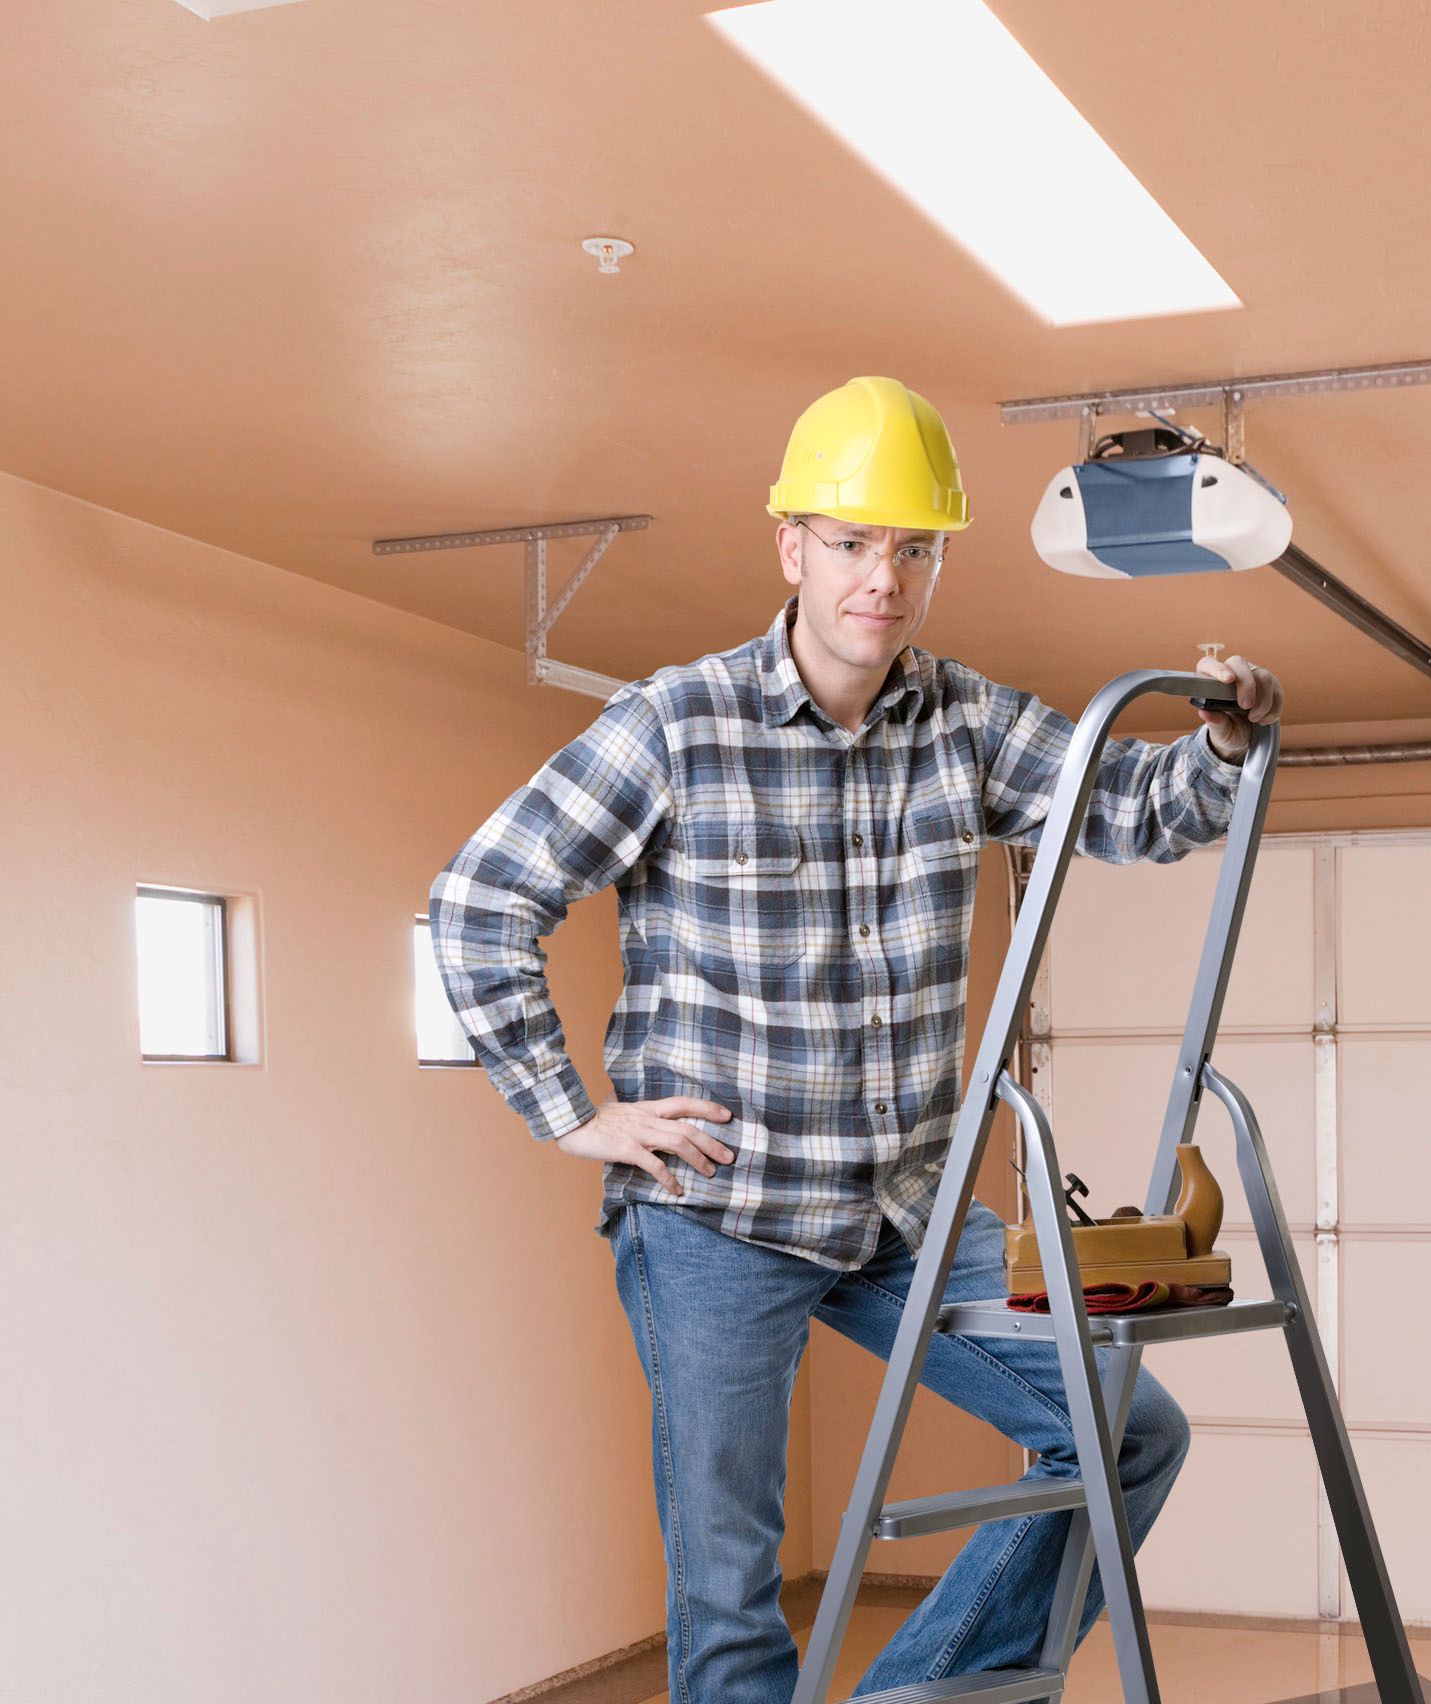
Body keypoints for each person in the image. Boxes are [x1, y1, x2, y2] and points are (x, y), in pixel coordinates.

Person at [428, 375, 1284, 1702]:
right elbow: (482, 900)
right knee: (729, 1594)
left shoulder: (968, 721)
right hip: (719, 1213)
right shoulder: (678, 723)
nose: (880, 578)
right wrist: (571, 1113)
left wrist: (1223, 748)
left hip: (907, 1215)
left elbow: (1133, 812)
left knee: (1123, 1432)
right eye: (850, 543)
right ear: (792, 547)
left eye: (911, 547)